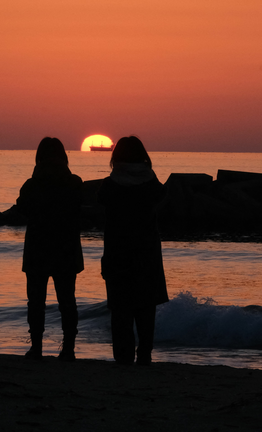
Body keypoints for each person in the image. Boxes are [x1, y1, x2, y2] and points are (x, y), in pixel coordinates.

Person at [97, 135, 169, 365]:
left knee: (120, 309)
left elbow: (100, 209)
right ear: (143, 156)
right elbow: (162, 200)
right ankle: (145, 354)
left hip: (118, 251)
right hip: (147, 252)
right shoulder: (152, 185)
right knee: (146, 308)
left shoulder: (109, 186)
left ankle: (123, 357)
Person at [16, 137, 84, 361]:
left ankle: (36, 347)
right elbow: (82, 212)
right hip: (66, 248)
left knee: (36, 301)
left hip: (37, 248)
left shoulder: (31, 185)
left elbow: (22, 209)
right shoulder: (74, 182)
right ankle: (69, 348)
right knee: (67, 301)